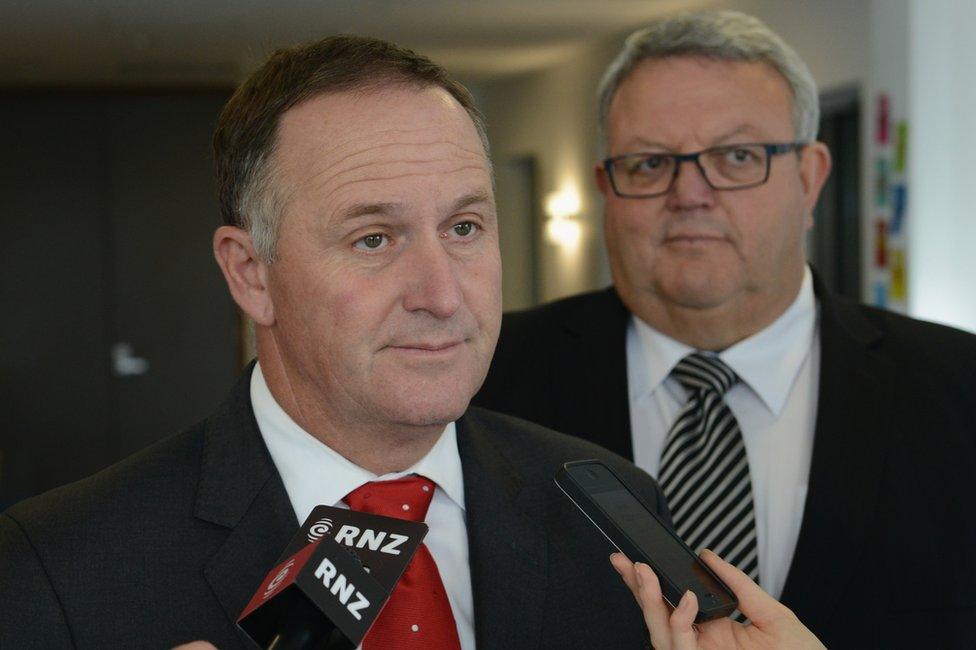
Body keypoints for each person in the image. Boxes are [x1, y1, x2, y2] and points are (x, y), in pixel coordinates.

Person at [0, 35, 669, 649]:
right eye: (373, 239)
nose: (442, 296)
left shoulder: (615, 510)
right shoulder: (57, 567)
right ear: (251, 273)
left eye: (464, 228)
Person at [475, 10, 976, 649]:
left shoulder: (960, 389)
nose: (690, 193)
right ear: (607, 188)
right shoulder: (485, 380)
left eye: (737, 156)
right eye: (649, 163)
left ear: (810, 177)